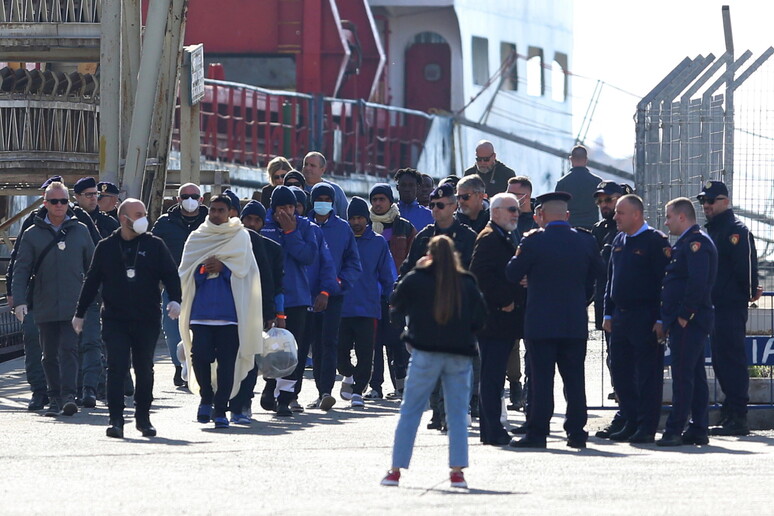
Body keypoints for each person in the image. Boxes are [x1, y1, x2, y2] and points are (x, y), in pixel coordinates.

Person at [381, 235, 486, 489]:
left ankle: (395, 470)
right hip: (459, 355)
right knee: (458, 414)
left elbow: (395, 304)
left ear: (429, 253)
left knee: (411, 411)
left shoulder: (417, 279)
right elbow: (480, 318)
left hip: (424, 353)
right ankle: (457, 472)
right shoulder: (466, 281)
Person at [73, 198, 182, 438]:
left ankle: (143, 418)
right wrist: (79, 314)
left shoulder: (155, 245)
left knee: (144, 368)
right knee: (117, 368)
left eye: (144, 213)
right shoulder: (106, 247)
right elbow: (91, 281)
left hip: (147, 319)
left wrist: (176, 299)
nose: (144, 217)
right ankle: (116, 420)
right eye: (138, 214)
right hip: (115, 319)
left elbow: (171, 275)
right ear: (124, 219)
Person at [505, 192, 600, 449]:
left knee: (541, 380)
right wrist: (582, 296)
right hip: (573, 322)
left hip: (541, 323)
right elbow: (597, 274)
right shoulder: (585, 241)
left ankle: (538, 433)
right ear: (567, 216)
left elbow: (512, 273)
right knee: (575, 381)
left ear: (540, 216)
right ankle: (577, 433)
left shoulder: (534, 241)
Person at [6, 176, 101, 411]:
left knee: (69, 350)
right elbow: (20, 269)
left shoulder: (80, 230)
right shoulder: (31, 233)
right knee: (47, 354)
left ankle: (68, 396)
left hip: (73, 303)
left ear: (69, 203)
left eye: (63, 201)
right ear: (45, 203)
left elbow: (95, 267)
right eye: (54, 201)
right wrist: (18, 301)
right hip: (43, 303)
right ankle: (51, 396)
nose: (59, 205)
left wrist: (102, 296)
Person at [178, 195, 264, 429]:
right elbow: (185, 272)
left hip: (231, 316)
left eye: (221, 210)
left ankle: (220, 409)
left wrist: (225, 269)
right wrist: (203, 269)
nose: (216, 214)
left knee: (228, 364)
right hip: (201, 313)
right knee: (200, 357)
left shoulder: (240, 237)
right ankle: (206, 397)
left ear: (230, 212)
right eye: (213, 210)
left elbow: (246, 272)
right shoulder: (197, 237)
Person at [601, 194, 671, 443]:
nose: (616, 217)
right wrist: (607, 312)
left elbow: (665, 283)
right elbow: (612, 279)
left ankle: (646, 426)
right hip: (620, 317)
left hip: (646, 317)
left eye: (621, 212)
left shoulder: (655, 241)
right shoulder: (619, 239)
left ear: (636, 215)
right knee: (621, 372)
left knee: (647, 376)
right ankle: (630, 420)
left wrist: (662, 319)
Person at [698, 181, 761, 436]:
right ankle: (730, 411)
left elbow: (746, 268)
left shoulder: (736, 230)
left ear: (725, 202)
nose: (706, 206)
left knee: (732, 360)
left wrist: (747, 294)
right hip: (714, 306)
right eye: (704, 201)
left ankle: (738, 415)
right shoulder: (711, 231)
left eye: (711, 201)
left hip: (730, 306)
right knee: (722, 361)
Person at [657, 197, 718, 447]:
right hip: (687, 320)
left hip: (690, 321)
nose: (666, 221)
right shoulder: (686, 242)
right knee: (694, 375)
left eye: (669, 216)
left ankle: (675, 429)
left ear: (682, 217)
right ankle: (698, 428)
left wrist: (684, 314)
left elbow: (697, 282)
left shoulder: (695, 243)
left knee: (683, 377)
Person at [469, 193, 524, 445]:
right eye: (511, 209)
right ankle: (491, 431)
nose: (516, 213)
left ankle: (492, 430)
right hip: (493, 319)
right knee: (491, 378)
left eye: (517, 209)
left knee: (493, 376)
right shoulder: (490, 237)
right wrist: (505, 299)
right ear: (496, 211)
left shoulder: (502, 235)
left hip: (500, 321)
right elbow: (480, 275)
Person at [260, 186, 319, 416]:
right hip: (270, 297)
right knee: (268, 348)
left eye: (291, 207)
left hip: (297, 297)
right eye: (281, 207)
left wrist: (290, 233)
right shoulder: (264, 227)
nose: (286, 211)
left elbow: (308, 257)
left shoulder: (305, 227)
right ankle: (269, 385)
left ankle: (285, 398)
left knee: (293, 352)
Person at [302, 183, 362, 410]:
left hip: (333, 296)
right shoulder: (303, 225)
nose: (323, 203)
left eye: (328, 199)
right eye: (319, 199)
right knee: (310, 345)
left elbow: (353, 264)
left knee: (328, 343)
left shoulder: (343, 228)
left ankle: (325, 390)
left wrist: (336, 285)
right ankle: (298, 393)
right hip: (305, 296)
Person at [337, 197, 396, 407]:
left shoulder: (378, 242)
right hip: (341, 307)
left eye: (360, 217)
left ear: (367, 218)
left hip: (368, 307)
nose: (356, 222)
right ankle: (348, 375)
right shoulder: (342, 240)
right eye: (352, 218)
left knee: (365, 352)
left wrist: (392, 299)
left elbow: (387, 275)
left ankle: (358, 392)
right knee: (340, 353)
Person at [150, 182, 208, 387]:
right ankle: (178, 365)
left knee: (202, 326)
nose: (189, 200)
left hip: (206, 283)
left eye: (194, 196)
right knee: (172, 326)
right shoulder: (165, 223)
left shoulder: (211, 221)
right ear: (177, 199)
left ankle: (200, 366)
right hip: (174, 283)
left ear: (201, 199)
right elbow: (152, 250)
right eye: (185, 196)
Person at [367, 183, 415, 400]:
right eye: (374, 199)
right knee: (373, 343)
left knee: (397, 343)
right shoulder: (364, 226)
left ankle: (401, 386)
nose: (377, 203)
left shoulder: (404, 228)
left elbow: (413, 259)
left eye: (382, 199)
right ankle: (375, 386)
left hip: (397, 294)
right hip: (369, 295)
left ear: (390, 201)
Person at [73, 176, 118, 407]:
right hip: (72, 290)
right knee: (73, 343)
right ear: (77, 197)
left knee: (95, 340)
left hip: (98, 291)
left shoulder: (109, 224)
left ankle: (92, 387)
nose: (94, 199)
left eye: (96, 196)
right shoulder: (70, 221)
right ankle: (79, 387)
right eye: (89, 195)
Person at [591, 180, 624, 406]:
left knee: (624, 355)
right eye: (601, 201)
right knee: (612, 354)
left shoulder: (627, 228)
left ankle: (626, 399)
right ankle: (618, 391)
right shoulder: (599, 229)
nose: (604, 205)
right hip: (605, 303)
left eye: (609, 200)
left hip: (624, 305)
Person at [400, 183, 478, 275]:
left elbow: (476, 274)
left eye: (440, 205)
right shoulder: (423, 236)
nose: (435, 209)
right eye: (432, 205)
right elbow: (407, 270)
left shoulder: (468, 237)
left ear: (454, 206)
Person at [555, 145, 602, 229]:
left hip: (569, 229)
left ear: (571, 159)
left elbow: (558, 209)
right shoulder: (597, 182)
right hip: (592, 229)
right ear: (586, 160)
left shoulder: (562, 183)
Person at [302, 151, 348, 219]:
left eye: (312, 165)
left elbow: (345, 216)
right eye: (305, 164)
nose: (307, 168)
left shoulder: (335, 190)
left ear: (322, 170)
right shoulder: (297, 187)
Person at [395, 167, 433, 232]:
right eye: (403, 185)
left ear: (418, 187)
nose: (407, 189)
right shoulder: (389, 213)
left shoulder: (430, 215)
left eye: (411, 185)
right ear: (397, 187)